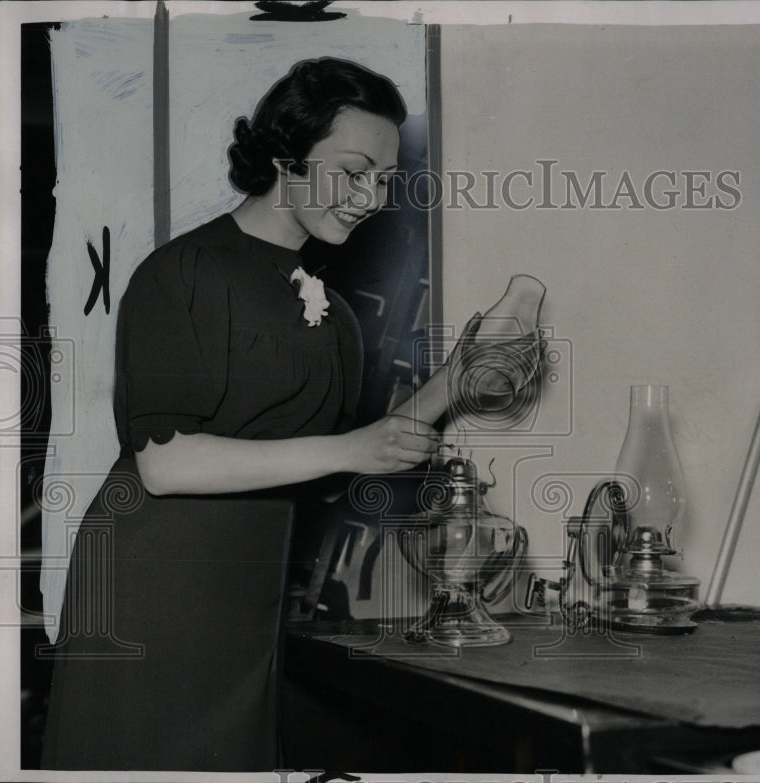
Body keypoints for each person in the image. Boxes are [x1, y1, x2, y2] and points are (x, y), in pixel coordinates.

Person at [41, 57, 465, 772]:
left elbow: (335, 464)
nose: (370, 196)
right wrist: (350, 449)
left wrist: (458, 380)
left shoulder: (334, 318)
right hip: (153, 590)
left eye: (385, 180)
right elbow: (165, 462)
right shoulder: (185, 271)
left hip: (246, 596)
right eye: (353, 170)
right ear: (285, 156)